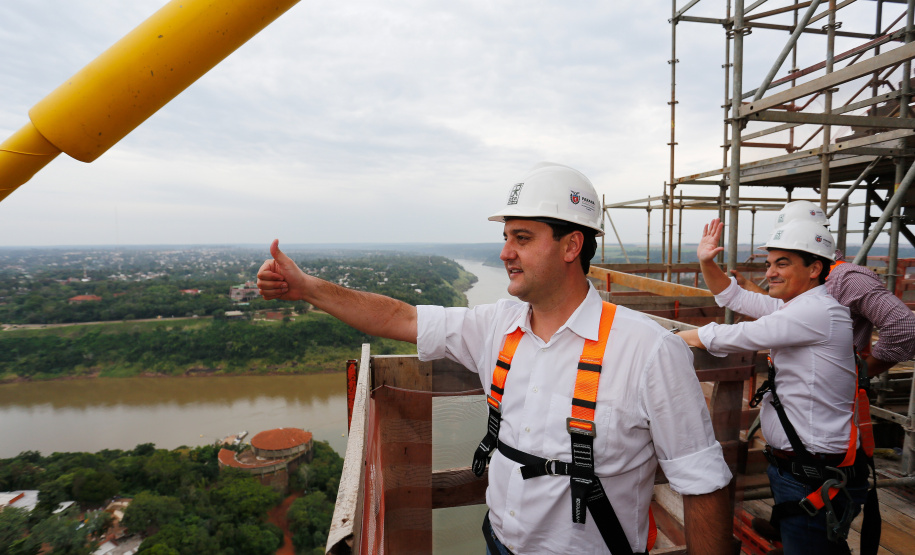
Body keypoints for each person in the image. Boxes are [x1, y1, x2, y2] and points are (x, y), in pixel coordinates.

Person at [257, 162, 734, 555]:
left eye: (522, 238)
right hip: (499, 544)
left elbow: (703, 482)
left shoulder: (648, 350)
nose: (505, 252)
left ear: (572, 246)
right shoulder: (496, 326)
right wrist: (308, 289)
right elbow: (401, 318)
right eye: (507, 237)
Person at [676, 218, 872, 555]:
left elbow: (735, 335)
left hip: (813, 475)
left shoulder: (815, 312)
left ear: (814, 269)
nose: (769, 273)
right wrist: (707, 262)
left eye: (782, 263)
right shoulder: (798, 305)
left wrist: (666, 340)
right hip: (805, 469)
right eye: (769, 264)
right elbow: (731, 295)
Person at [730, 200, 915, 378]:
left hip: (832, 398)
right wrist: (748, 287)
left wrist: (862, 372)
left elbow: (904, 327)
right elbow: (786, 315)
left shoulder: (848, 279)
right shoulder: (808, 277)